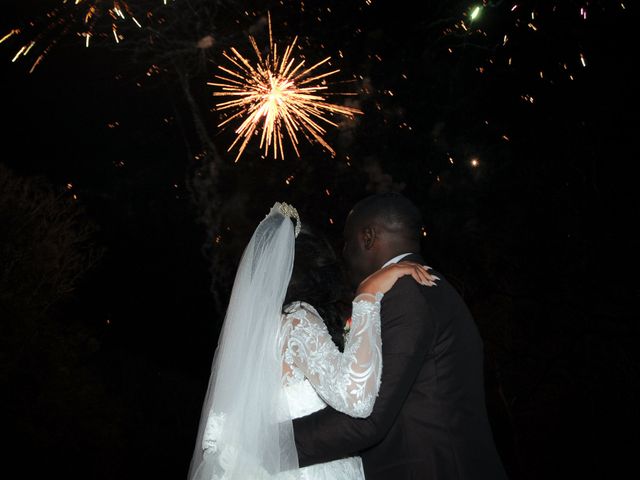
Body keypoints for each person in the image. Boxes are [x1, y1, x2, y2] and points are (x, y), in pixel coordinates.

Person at [187, 202, 437, 480]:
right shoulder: (297, 319)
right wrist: (367, 295)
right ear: (315, 265)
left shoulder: (259, 332)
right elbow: (356, 400)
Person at [292, 192, 509, 479]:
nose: (343, 253)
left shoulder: (404, 293)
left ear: (367, 237)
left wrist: (266, 443)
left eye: (346, 242)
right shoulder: (431, 286)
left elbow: (368, 419)